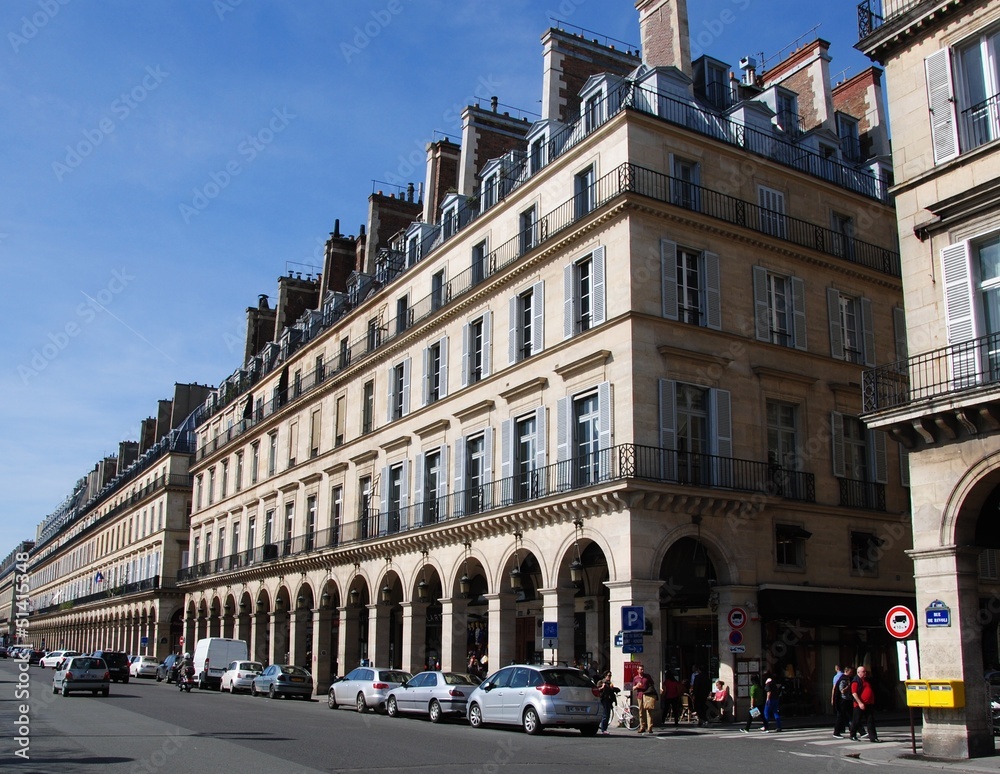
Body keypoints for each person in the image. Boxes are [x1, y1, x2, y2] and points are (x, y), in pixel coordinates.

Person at [850, 665, 880, 742]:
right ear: (858, 672)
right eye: (863, 671)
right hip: (859, 704)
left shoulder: (866, 680)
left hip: (868, 704)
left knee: (870, 721)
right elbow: (854, 693)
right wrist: (860, 703)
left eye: (865, 671)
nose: (865, 673)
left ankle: (873, 737)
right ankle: (852, 735)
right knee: (856, 720)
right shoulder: (856, 681)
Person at [632, 664, 657, 734]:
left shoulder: (647, 677)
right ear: (638, 670)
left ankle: (650, 727)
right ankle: (642, 727)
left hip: (647, 695)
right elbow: (633, 688)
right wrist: (637, 686)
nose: (642, 671)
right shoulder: (635, 678)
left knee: (649, 711)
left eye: (643, 669)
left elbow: (652, 684)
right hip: (640, 696)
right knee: (641, 712)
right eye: (641, 669)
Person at [833, 666, 854, 737]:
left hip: (848, 699)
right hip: (843, 700)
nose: (851, 673)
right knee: (841, 716)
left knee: (849, 716)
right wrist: (848, 686)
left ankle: (854, 730)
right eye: (850, 672)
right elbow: (842, 690)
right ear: (846, 671)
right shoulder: (843, 679)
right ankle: (836, 732)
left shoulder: (848, 678)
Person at [597, 671, 619, 735]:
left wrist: (615, 689)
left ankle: (605, 729)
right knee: (605, 715)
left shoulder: (609, 683)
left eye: (610, 676)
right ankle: (603, 729)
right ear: (605, 676)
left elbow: (612, 691)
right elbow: (597, 689)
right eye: (608, 675)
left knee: (608, 715)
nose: (609, 677)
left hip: (609, 700)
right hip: (604, 699)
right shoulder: (601, 682)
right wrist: (602, 687)